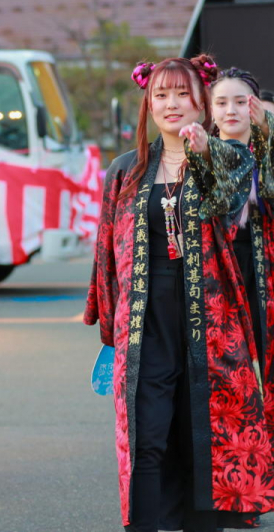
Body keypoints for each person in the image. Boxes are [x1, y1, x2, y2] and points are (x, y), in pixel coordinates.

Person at [86, 56, 274, 531]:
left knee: (203, 437)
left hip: (209, 324)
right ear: (148, 104)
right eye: (161, 95)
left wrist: (205, 155)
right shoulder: (124, 171)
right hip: (144, 325)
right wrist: (110, 327)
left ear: (201, 102)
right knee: (145, 438)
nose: (171, 105)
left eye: (183, 94)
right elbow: (107, 253)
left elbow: (230, 213)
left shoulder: (232, 158)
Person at [209, 67, 273, 372]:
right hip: (217, 270)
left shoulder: (267, 153)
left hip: (263, 270)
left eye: (240, 101)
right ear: (210, 109)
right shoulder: (196, 156)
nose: (230, 110)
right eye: (221, 102)